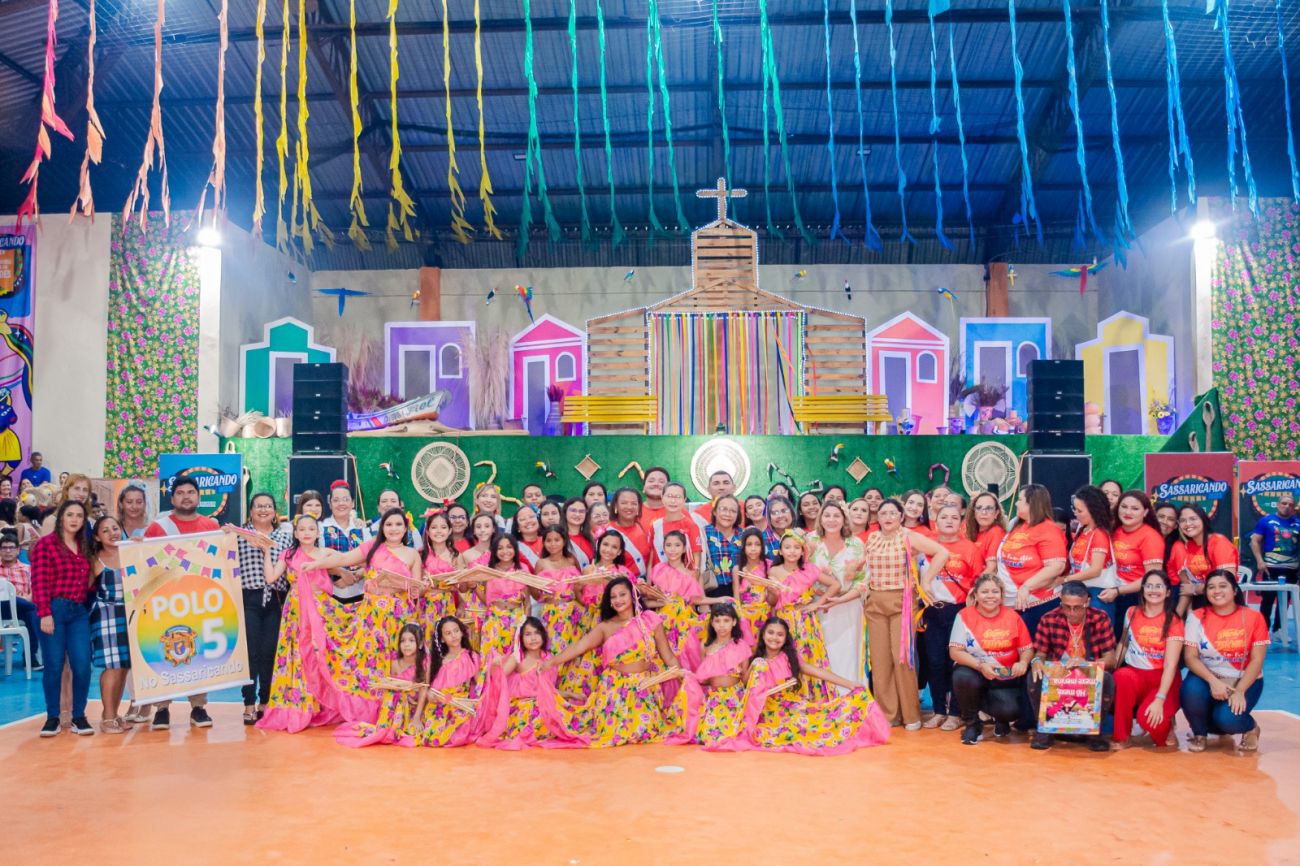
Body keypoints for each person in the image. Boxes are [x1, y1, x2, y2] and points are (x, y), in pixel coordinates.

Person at [541, 577, 699, 747]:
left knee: (643, 732)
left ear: (633, 595)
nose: (618, 600)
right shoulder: (605, 627)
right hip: (614, 690)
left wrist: (683, 676)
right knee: (615, 734)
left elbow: (668, 657)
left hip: (644, 687)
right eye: (613, 596)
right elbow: (580, 646)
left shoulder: (649, 620)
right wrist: (551, 663)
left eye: (622, 594)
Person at [257, 515, 379, 732]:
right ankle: (303, 705)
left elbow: (354, 560)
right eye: (302, 529)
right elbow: (270, 578)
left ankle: (327, 704)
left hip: (323, 611)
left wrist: (362, 572)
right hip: (296, 611)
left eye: (311, 529)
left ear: (318, 532)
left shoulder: (325, 554)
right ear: (295, 533)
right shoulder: (288, 554)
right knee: (300, 656)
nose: (306, 533)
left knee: (324, 655)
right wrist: (266, 552)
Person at [834, 498, 948, 729]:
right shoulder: (873, 538)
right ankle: (888, 715)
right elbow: (863, 566)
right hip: (874, 602)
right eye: (883, 513)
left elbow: (942, 552)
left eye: (892, 513)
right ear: (878, 517)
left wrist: (926, 580)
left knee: (902, 658)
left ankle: (911, 716)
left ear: (901, 516)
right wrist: (849, 569)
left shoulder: (908, 536)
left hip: (901, 602)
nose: (888, 517)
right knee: (880, 660)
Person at [710, 617, 889, 755]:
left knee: (819, 718)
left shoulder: (789, 659)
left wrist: (849, 684)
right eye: (770, 633)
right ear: (763, 635)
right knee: (794, 731)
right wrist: (754, 666)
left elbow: (818, 672)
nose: (774, 638)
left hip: (790, 706)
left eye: (780, 634)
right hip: (766, 713)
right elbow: (745, 686)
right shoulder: (755, 661)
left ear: (785, 638)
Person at [315, 509, 425, 710]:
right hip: (372, 616)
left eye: (398, 524)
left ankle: (395, 708)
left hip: (399, 617)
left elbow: (418, 589)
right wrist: (315, 563)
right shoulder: (372, 547)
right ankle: (369, 707)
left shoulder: (412, 554)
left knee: (398, 658)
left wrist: (401, 584)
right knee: (370, 659)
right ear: (382, 528)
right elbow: (343, 559)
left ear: (405, 528)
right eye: (389, 524)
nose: (393, 529)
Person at [143, 475, 219, 731]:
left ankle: (198, 706)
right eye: (180, 493)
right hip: (167, 599)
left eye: (190, 492)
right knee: (164, 650)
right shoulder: (158, 528)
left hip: (200, 599)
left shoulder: (211, 526)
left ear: (198, 496)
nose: (186, 497)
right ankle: (162, 708)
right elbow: (146, 561)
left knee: (197, 652)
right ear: (172, 498)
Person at [1181, 569, 1268, 752]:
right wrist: (1213, 681)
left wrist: (1240, 691)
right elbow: (1190, 657)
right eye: (1211, 587)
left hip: (1243, 680)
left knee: (1227, 720)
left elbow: (1257, 660)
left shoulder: (1254, 617)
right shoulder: (1196, 617)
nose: (1217, 591)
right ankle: (1199, 734)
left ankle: (1251, 728)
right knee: (1190, 690)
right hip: (1207, 677)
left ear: (1235, 590)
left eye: (1223, 586)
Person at [1028, 581, 1117, 751]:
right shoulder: (1049, 618)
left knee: (1107, 679)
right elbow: (1040, 654)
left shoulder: (1100, 618)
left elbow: (1111, 659)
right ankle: (1045, 730)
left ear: (1087, 602)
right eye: (1066, 607)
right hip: (1058, 675)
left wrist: (1086, 664)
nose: (1071, 612)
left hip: (1087, 674)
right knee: (1035, 676)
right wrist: (1036, 662)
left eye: (1077, 607)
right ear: (1061, 602)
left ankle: (1094, 733)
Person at [32, 500, 96, 737]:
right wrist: (44, 613)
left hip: (78, 612)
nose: (74, 519)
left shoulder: (85, 546)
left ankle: (79, 715)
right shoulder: (46, 545)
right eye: (70, 514)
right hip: (54, 609)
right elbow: (39, 581)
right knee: (54, 665)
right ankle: (53, 717)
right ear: (61, 518)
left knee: (82, 664)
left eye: (79, 515)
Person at [949, 575, 1034, 745]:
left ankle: (1001, 719)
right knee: (962, 676)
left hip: (1005, 677)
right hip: (977, 672)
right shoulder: (964, 615)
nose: (990, 596)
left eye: (995, 591)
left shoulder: (1013, 616)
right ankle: (973, 724)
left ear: (1002, 596)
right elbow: (955, 652)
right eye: (984, 592)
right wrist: (981, 666)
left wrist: (1023, 662)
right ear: (975, 595)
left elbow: (1027, 649)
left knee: (1010, 710)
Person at [476, 618, 583, 750]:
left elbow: (547, 690)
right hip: (521, 705)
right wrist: (494, 666)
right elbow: (498, 677)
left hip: (542, 701)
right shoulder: (517, 658)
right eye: (528, 634)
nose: (533, 638)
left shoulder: (548, 658)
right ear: (521, 638)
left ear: (543, 635)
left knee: (563, 712)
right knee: (538, 712)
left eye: (536, 633)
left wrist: (571, 694)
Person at [234, 493, 292, 724]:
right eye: (258, 506)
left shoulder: (285, 537)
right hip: (248, 598)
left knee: (269, 653)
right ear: (251, 511)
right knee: (250, 654)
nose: (263, 509)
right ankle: (248, 704)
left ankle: (265, 702)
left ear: (275, 511)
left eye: (268, 506)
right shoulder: (237, 536)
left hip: (276, 601)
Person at [925, 504, 982, 731]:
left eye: (954, 517)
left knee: (955, 661)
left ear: (962, 523)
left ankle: (956, 713)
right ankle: (939, 710)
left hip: (958, 611)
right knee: (935, 662)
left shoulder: (970, 548)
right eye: (944, 517)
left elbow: (978, 580)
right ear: (936, 521)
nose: (949, 521)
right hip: (930, 611)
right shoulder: (926, 545)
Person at [1112, 570, 1184, 750]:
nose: (1153, 590)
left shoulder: (1174, 620)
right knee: (1121, 676)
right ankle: (1122, 736)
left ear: (1168, 592)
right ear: (1143, 589)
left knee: (1148, 719)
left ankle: (1167, 726)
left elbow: (1171, 665)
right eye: (1149, 586)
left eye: (1159, 586)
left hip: (1163, 678)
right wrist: (1111, 668)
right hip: (1135, 675)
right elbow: (1124, 643)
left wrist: (1160, 699)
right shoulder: (1131, 612)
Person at [765, 532, 839, 701]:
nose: (792, 551)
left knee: (810, 657)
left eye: (796, 547)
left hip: (806, 621)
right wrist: (773, 592)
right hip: (785, 621)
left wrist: (817, 604)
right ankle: (793, 698)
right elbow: (772, 601)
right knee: (788, 658)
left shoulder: (809, 569)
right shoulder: (774, 571)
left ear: (802, 551)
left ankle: (816, 698)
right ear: (780, 551)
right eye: (787, 547)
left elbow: (835, 585)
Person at [335, 622, 428, 748]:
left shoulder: (424, 664)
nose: (406, 644)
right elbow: (391, 686)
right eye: (403, 641)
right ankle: (387, 727)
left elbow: (424, 691)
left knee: (413, 730)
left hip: (415, 708)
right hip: (397, 706)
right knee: (391, 693)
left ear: (420, 644)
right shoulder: (395, 664)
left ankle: (399, 725)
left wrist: (416, 718)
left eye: (411, 640)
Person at [807, 503, 867, 690]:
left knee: (849, 653)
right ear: (820, 518)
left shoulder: (856, 544)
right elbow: (800, 571)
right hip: (818, 606)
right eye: (827, 515)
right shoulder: (810, 541)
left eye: (836, 516)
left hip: (848, 606)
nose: (831, 520)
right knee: (822, 651)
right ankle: (826, 697)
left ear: (844, 519)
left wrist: (841, 599)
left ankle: (850, 695)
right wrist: (819, 598)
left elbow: (863, 581)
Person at [997, 484, 1068, 637]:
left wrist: (1027, 586)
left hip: (1038, 603)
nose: (1016, 503)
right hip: (1013, 603)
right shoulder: (1018, 525)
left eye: (1020, 500)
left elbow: (1056, 566)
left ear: (1032, 503)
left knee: (1035, 648)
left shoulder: (1049, 530)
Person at [683, 604, 753, 747]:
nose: (722, 625)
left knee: (730, 735)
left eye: (726, 620)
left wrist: (755, 667)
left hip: (734, 697)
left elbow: (745, 678)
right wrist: (689, 677)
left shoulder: (741, 645)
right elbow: (705, 677)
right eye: (717, 621)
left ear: (734, 622)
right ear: (712, 623)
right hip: (714, 697)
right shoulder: (706, 646)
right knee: (707, 737)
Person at [89, 516, 131, 733]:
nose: (112, 533)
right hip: (107, 614)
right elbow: (85, 589)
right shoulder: (96, 559)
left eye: (115, 528)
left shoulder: (132, 552)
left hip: (130, 614)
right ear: (97, 537)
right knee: (112, 666)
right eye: (105, 530)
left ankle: (114, 713)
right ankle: (107, 717)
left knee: (123, 667)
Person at [1102, 491, 1166, 628]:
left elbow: (1152, 578)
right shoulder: (1115, 530)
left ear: (1145, 512)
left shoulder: (1151, 537)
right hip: (1112, 591)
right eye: (1124, 506)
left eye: (1135, 508)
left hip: (1136, 597)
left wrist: (1119, 591)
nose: (1128, 512)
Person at [419, 616, 484, 747]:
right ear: (442, 639)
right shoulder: (436, 661)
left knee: (455, 735)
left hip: (460, 705)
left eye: (456, 631)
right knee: (431, 738)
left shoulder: (471, 656)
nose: (454, 635)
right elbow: (428, 689)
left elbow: (479, 687)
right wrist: (430, 695)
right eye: (448, 633)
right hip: (438, 705)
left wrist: (477, 703)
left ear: (462, 632)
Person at [1168, 504, 1239, 616]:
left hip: (1224, 603)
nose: (1188, 524)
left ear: (1203, 520)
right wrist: (1176, 618)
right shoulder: (1183, 547)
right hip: (1200, 605)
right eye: (1183, 520)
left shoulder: (1219, 543)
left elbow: (1227, 581)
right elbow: (1186, 588)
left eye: (1193, 519)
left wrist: (1195, 589)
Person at [476, 534, 533, 658]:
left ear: (515, 549)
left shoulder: (522, 569)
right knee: (491, 659)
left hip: (516, 621)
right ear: (494, 551)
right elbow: (486, 600)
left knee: (514, 658)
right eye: (500, 548)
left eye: (509, 547)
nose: (505, 551)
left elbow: (527, 603)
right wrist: (474, 586)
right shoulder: (489, 571)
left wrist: (525, 627)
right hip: (494, 621)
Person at [1249, 491, 1298, 633]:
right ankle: (1262, 630)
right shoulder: (1266, 521)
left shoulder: (1298, 523)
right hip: (1270, 568)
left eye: (1290, 505)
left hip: (1291, 569)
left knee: (1285, 601)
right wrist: (1260, 561)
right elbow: (1254, 541)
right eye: (1284, 503)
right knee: (1267, 600)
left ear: (1294, 508)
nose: (1287, 506)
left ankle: (1278, 630)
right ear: (1277, 505)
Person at [318, 481, 371, 604]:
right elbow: (318, 559)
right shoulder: (321, 528)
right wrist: (341, 572)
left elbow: (372, 558)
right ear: (330, 504)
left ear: (352, 503)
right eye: (336, 500)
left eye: (345, 499)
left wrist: (358, 575)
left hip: (361, 595)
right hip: (330, 596)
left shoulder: (362, 528)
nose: (341, 503)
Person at [1069, 485, 1117, 618]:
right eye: (1074, 509)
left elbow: (1095, 570)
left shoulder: (1099, 534)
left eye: (1080, 510)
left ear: (1093, 510)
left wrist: (1065, 579)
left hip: (1098, 595)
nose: (1076, 513)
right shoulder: (1083, 529)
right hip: (1081, 590)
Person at [0, 532, 39, 670]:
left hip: (20, 608)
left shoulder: (28, 569)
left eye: (11, 548)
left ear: (18, 550)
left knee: (32, 612)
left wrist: (28, 598)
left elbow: (34, 591)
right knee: (30, 608)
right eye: (4, 548)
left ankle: (30, 657)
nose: (8, 551)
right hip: (0, 606)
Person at [650, 482, 707, 566]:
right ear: (662, 497)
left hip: (683, 573)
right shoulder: (655, 526)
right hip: (658, 573)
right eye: (669, 496)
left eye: (678, 497)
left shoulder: (691, 526)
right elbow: (651, 555)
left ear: (684, 499)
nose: (673, 501)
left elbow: (696, 559)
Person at [731, 528, 771, 639]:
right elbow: (736, 599)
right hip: (745, 618)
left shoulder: (769, 565)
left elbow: (773, 592)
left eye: (757, 544)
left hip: (765, 616)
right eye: (749, 544)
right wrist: (741, 619)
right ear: (743, 547)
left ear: (762, 547)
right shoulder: (737, 569)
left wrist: (751, 578)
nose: (753, 548)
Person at [702, 494, 743, 597]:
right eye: (723, 509)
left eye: (733, 511)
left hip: (740, 591)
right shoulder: (704, 533)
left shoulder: (744, 535)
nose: (728, 514)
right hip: (712, 590)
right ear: (715, 512)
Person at [607, 487, 651, 577]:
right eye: (624, 503)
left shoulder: (643, 527)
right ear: (615, 506)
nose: (629, 507)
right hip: (620, 582)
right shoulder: (607, 531)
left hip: (645, 582)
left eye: (634, 503)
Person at [964, 491, 1007, 575]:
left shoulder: (996, 532)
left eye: (989, 508)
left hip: (982, 581)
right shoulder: (970, 531)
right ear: (974, 513)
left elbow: (991, 569)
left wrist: (975, 583)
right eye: (979, 508)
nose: (984, 512)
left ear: (996, 513)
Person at [510, 503, 544, 569]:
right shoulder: (514, 548)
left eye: (531, 517)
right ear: (517, 527)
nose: (528, 521)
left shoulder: (548, 540)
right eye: (522, 519)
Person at [561, 498, 593, 565]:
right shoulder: (558, 537)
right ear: (565, 512)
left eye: (581, 511)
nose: (577, 514)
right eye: (573, 510)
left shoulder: (591, 539)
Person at [639, 466, 670, 532]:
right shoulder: (633, 511)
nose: (656, 484)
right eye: (651, 481)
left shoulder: (679, 512)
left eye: (661, 482)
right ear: (643, 488)